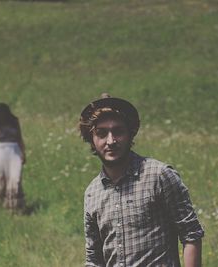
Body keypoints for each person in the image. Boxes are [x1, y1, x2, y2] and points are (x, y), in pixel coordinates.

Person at [79, 95, 204, 267]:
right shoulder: (92, 193)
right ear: (91, 140)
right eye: (101, 133)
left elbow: (191, 234)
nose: (110, 141)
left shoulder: (159, 175)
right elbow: (94, 259)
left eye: (118, 131)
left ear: (130, 134)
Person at [0, 103, 26, 211]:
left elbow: (20, 139)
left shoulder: (14, 122)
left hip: (14, 151)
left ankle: (15, 206)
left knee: (15, 178)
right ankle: (1, 205)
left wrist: (23, 153)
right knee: (1, 177)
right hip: (0, 152)